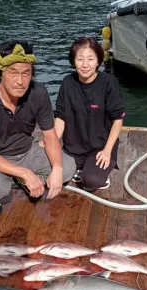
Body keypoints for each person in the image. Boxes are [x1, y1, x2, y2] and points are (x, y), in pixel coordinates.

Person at [0, 40, 76, 214]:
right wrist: (26, 173)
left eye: (26, 73)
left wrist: (57, 168)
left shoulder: (38, 93)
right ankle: (19, 179)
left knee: (67, 167)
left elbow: (49, 135)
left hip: (27, 152)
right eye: (13, 73)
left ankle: (23, 179)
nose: (20, 81)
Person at [54, 37, 125, 191]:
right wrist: (52, 141)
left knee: (92, 181)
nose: (85, 65)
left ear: (98, 61)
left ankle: (92, 169)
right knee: (48, 169)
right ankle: (80, 166)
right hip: (72, 148)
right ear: (73, 61)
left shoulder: (109, 83)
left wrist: (107, 151)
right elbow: (60, 116)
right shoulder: (67, 82)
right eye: (80, 59)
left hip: (99, 147)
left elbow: (118, 119)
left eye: (90, 59)